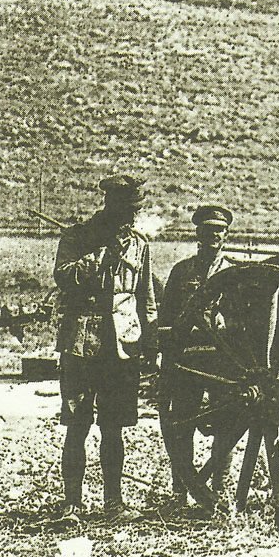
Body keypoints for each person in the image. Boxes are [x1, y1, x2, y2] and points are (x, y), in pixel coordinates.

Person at [53, 174, 157, 523]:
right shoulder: (79, 237)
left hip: (122, 347)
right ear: (108, 206)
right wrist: (99, 256)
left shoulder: (139, 245)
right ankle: (72, 505)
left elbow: (146, 299)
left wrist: (151, 344)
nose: (131, 218)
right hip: (82, 343)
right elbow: (63, 277)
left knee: (113, 426)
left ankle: (113, 504)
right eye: (126, 210)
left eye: (135, 211)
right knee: (77, 424)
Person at [158, 204, 234, 510]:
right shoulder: (182, 272)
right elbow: (166, 318)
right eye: (208, 230)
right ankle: (181, 490)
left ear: (226, 235)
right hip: (188, 360)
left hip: (223, 360)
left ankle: (219, 491)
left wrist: (227, 324)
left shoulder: (234, 271)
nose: (214, 236)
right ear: (198, 235)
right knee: (182, 423)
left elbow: (247, 319)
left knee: (225, 425)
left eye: (219, 231)